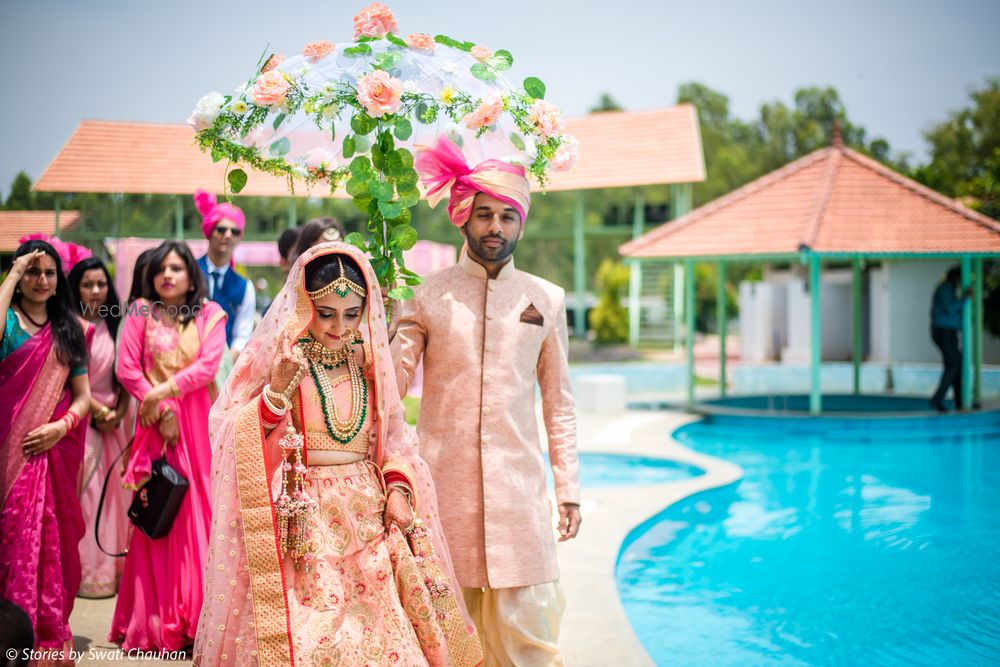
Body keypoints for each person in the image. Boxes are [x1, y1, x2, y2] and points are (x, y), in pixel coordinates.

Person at [194, 243, 482, 667]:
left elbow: (396, 439)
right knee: (317, 643)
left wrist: (399, 489)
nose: (339, 327)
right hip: (306, 526)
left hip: (370, 521)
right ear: (302, 304)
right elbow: (226, 432)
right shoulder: (279, 357)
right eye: (326, 313)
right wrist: (274, 396)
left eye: (352, 315)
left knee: (390, 647)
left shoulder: (369, 363)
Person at [390, 136, 581, 666]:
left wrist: (568, 490)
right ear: (462, 219)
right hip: (443, 498)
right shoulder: (426, 295)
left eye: (507, 216)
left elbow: (558, 403)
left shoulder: (546, 299)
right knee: (446, 642)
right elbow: (389, 390)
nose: (495, 227)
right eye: (484, 215)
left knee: (531, 643)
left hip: (520, 499)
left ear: (522, 223)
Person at [109, 241, 226, 652]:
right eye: (161, 269)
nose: (167, 275)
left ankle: (197, 620)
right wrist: (159, 408)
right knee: (160, 515)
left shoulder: (211, 315)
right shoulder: (141, 310)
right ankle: (155, 623)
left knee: (200, 514)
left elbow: (207, 366)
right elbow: (126, 369)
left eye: (177, 268)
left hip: (197, 424)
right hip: (157, 426)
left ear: (192, 276)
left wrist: (162, 392)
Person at [0, 240, 92, 662]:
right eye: (33, 272)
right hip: (6, 451)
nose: (41, 280)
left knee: (45, 549)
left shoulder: (69, 330)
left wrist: (61, 427)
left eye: (49, 273)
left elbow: (83, 397)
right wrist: (12, 274)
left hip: (48, 458)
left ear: (60, 281)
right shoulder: (9, 324)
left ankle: (41, 639)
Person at [68, 258, 132, 598]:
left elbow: (127, 374)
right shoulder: (69, 327)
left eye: (101, 284)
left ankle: (116, 572)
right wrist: (99, 410)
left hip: (116, 423)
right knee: (89, 499)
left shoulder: (115, 322)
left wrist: (118, 411)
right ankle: (88, 575)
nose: (95, 291)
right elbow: (67, 379)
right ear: (75, 289)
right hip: (83, 422)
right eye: (87, 284)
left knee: (118, 499)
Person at [193, 189, 255, 360]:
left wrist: (223, 365)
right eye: (221, 229)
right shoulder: (189, 273)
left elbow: (242, 335)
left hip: (224, 368)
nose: (227, 235)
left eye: (234, 231)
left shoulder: (245, 287)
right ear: (210, 231)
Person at [930, 266, 972, 412]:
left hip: (948, 333)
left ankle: (960, 401)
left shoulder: (949, 288)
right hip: (944, 332)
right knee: (953, 364)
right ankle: (938, 399)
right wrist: (966, 297)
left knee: (956, 365)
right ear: (956, 278)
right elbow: (950, 308)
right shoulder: (946, 288)